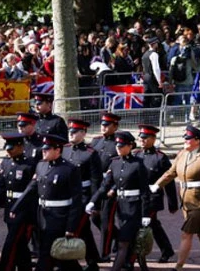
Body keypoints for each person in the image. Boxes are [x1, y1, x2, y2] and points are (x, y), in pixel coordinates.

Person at [150, 125, 200, 271]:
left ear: (197, 140)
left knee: (186, 233)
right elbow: (171, 173)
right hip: (186, 201)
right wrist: (157, 185)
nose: (185, 140)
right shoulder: (182, 154)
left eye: (188, 138)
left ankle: (179, 267)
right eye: (185, 138)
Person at [10, 134, 82, 271]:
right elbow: (31, 188)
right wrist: (16, 207)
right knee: (63, 258)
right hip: (42, 216)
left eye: (47, 149)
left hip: (59, 217)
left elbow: (76, 201)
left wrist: (71, 227)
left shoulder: (69, 169)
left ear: (58, 150)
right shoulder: (41, 165)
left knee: (45, 254)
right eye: (43, 149)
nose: (43, 151)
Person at [87, 130, 151, 271]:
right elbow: (105, 186)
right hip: (121, 208)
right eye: (117, 145)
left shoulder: (138, 164)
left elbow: (145, 191)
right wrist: (93, 201)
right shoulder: (114, 163)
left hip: (134, 208)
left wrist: (145, 214)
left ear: (130, 146)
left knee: (123, 243)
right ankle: (136, 264)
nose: (118, 148)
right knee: (132, 240)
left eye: (121, 146)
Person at [62, 118, 103, 271]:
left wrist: (94, 202)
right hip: (66, 195)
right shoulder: (64, 149)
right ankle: (92, 261)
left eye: (74, 132)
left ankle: (77, 261)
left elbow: (95, 180)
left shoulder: (90, 153)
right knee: (84, 230)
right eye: (70, 131)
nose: (71, 134)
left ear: (83, 133)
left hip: (83, 196)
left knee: (78, 228)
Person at [0, 132, 38, 271]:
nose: (8, 150)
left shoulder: (30, 164)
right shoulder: (6, 163)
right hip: (9, 208)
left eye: (11, 148)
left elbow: (33, 191)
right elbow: (1, 187)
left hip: (24, 211)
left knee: (11, 243)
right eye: (7, 147)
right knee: (20, 245)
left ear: (21, 147)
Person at [134, 124, 178, 264]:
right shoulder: (136, 154)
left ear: (153, 139)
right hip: (138, 197)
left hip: (153, 198)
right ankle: (167, 250)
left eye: (145, 137)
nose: (142, 140)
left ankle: (141, 254)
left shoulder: (160, 158)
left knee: (149, 224)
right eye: (141, 137)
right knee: (153, 225)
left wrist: (172, 203)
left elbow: (169, 181)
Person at [89, 112, 121, 260]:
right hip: (96, 185)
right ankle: (120, 238)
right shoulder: (96, 142)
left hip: (110, 186)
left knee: (106, 221)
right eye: (102, 124)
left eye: (107, 125)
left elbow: (121, 169)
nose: (103, 127)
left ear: (115, 126)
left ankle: (105, 253)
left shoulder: (119, 144)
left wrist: (114, 189)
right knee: (95, 218)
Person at [141, 36, 163, 108]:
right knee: (156, 96)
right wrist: (159, 81)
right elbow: (156, 69)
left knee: (147, 96)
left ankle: (145, 115)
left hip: (145, 76)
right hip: (152, 77)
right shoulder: (154, 54)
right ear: (155, 44)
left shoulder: (145, 54)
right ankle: (155, 115)